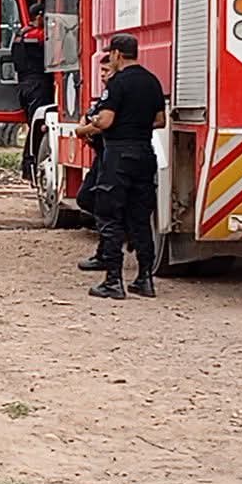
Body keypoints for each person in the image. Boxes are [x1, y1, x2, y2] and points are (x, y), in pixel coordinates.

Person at [80, 34, 166, 300]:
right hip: (144, 152)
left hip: (118, 155)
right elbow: (160, 120)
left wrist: (90, 122)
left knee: (110, 215)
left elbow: (105, 121)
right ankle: (145, 279)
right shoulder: (152, 81)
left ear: (117, 54)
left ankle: (113, 280)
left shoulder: (118, 83)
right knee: (140, 218)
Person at [74, 54, 115, 270]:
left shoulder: (116, 91)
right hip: (103, 156)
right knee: (88, 199)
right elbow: (94, 116)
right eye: (100, 71)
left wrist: (83, 130)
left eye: (106, 71)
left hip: (112, 157)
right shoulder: (105, 95)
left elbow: (103, 123)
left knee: (102, 204)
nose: (102, 76)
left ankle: (107, 256)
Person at [11, 4, 53, 182]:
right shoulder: (38, 35)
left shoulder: (20, 34)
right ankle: (30, 165)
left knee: (33, 126)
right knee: (38, 127)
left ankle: (28, 165)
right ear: (39, 16)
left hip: (24, 85)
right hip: (38, 85)